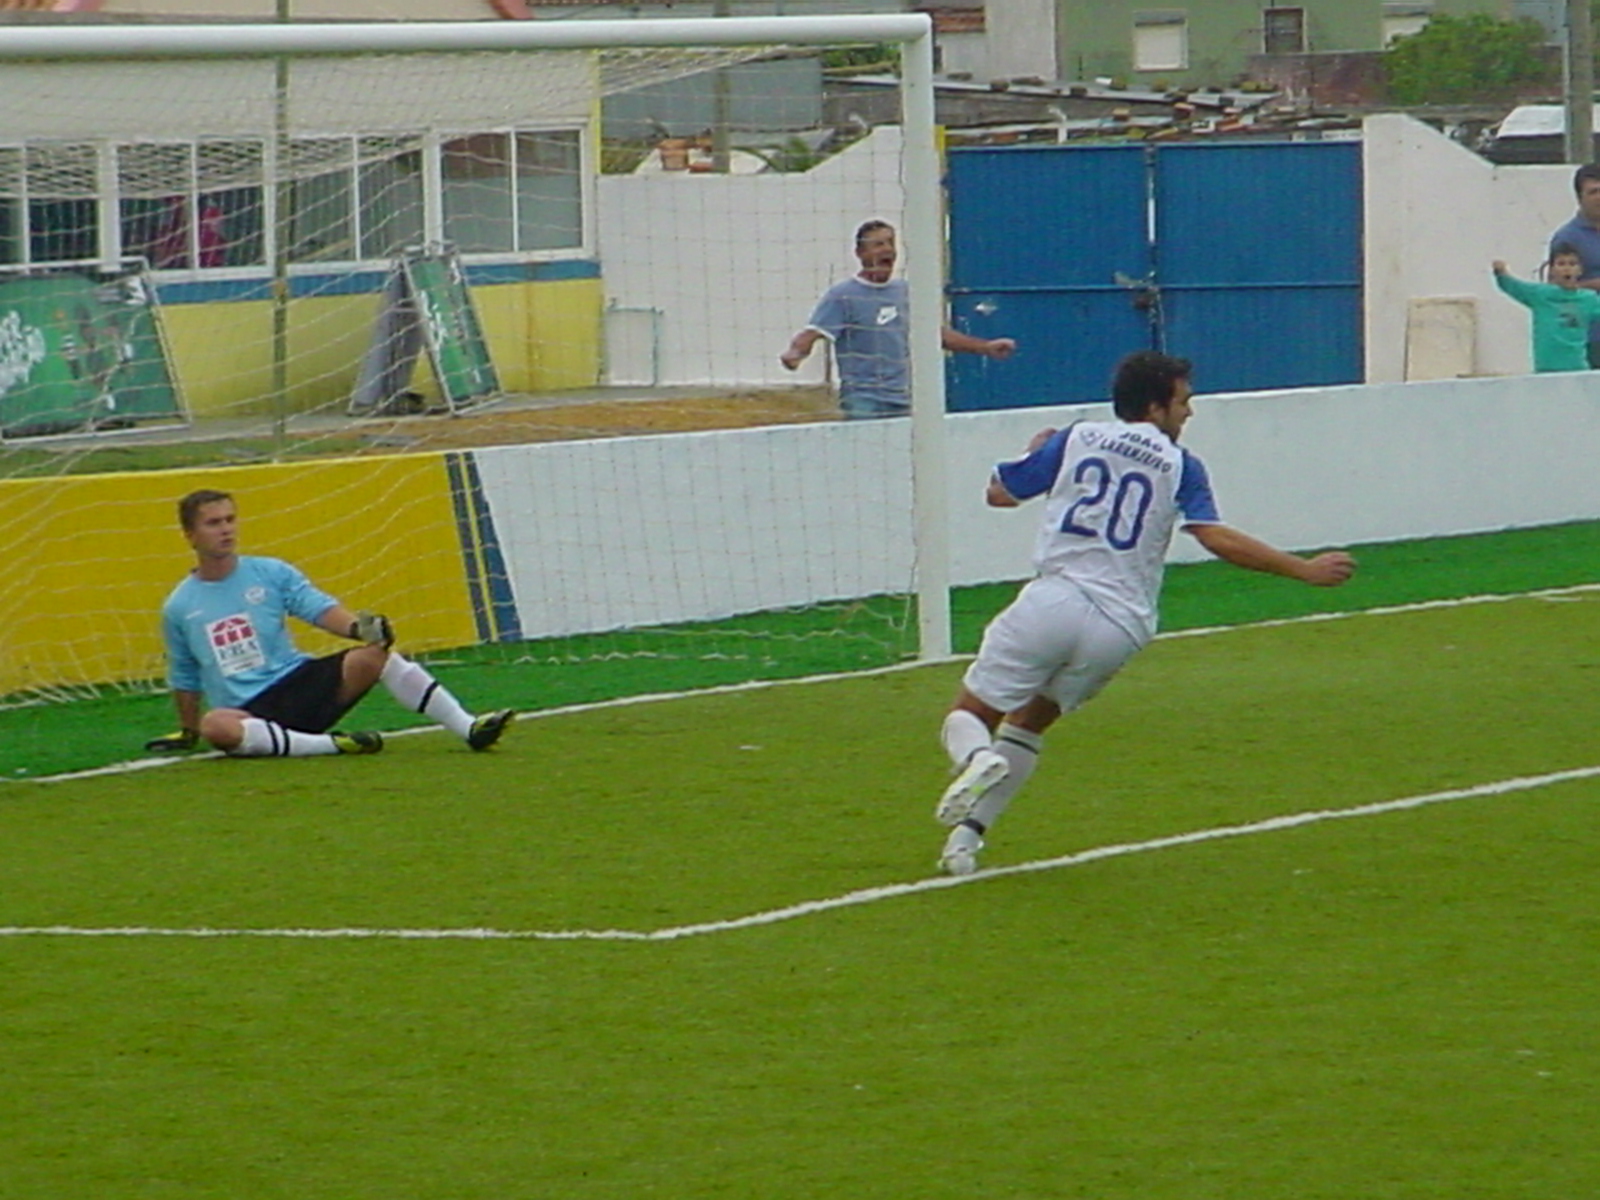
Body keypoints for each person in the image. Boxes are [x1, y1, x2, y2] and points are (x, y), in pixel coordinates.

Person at [931, 350, 1356, 876]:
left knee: (970, 716)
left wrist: (1035, 451)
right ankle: (964, 844)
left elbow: (999, 495)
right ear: (1155, 407)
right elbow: (1214, 536)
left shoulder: (1078, 437)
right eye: (1183, 402)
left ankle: (977, 760)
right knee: (1028, 726)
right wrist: (1303, 569)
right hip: (1121, 626)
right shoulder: (1182, 465)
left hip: (1055, 601)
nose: (1189, 412)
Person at [147, 488, 515, 759]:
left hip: (299, 684)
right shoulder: (179, 606)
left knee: (375, 656)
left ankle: (468, 728)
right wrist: (188, 731)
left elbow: (318, 608)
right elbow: (185, 675)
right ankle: (333, 746)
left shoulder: (270, 572)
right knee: (217, 726)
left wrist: (360, 629)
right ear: (190, 535)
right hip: (249, 713)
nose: (226, 529)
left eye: (230, 520)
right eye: (213, 523)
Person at [780, 219, 1016, 419]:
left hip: (905, 398)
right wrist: (795, 353)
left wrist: (985, 347)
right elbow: (813, 332)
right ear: (860, 253)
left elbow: (936, 335)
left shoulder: (905, 292)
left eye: (890, 243)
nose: (887, 249)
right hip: (863, 400)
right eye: (878, 244)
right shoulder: (843, 295)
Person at [1492, 248, 1600, 373]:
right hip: (1546, 368)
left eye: (1572, 264)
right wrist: (1500, 272)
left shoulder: (1588, 299)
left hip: (1577, 367)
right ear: (1552, 270)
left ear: (1580, 270)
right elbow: (1513, 286)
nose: (1567, 268)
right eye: (1561, 264)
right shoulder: (1539, 294)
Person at [1547, 163, 1600, 368]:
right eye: (1593, 192)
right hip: (1591, 337)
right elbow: (1556, 289)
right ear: (1579, 198)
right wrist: (1593, 285)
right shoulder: (1568, 238)